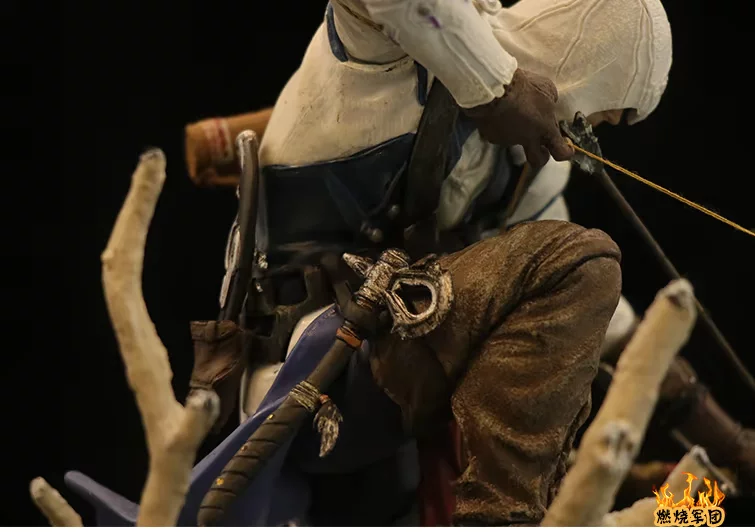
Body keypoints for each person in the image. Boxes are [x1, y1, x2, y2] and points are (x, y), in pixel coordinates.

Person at [190, 0, 674, 525]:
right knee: (581, 261)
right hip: (305, 372)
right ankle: (499, 519)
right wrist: (499, 88)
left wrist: (708, 419)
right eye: (609, 111)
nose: (595, 130)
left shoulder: (528, 169)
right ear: (589, 61)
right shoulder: (387, 54)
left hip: (395, 392)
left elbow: (585, 310)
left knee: (576, 268)